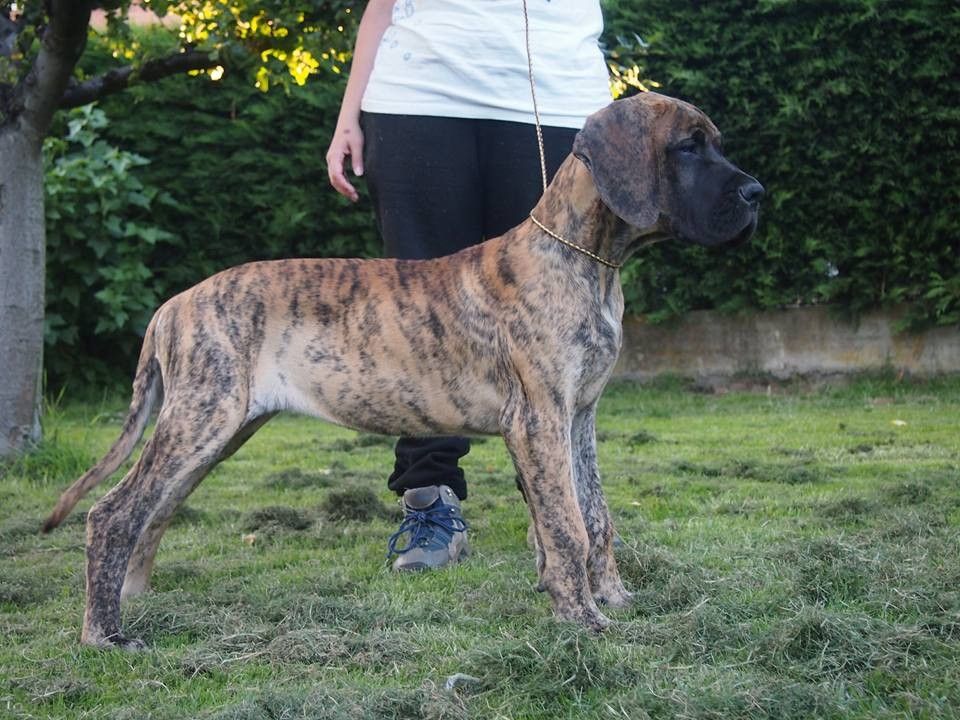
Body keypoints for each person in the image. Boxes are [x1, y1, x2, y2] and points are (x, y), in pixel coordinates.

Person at [326, 0, 611, 571]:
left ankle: (559, 517)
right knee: (420, 324)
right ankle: (429, 501)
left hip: (553, 96)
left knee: (556, 327)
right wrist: (347, 115)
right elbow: (381, 6)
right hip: (418, 96)